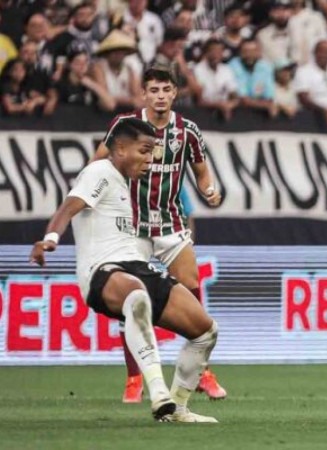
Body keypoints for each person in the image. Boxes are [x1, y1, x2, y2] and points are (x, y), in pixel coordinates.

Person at [30, 117, 218, 423]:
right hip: (102, 270)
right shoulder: (99, 171)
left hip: (137, 267)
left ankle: (179, 410)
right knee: (137, 297)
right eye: (144, 151)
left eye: (152, 152)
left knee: (206, 331)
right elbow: (68, 208)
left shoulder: (130, 183)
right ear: (119, 148)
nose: (150, 160)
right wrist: (50, 239)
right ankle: (158, 393)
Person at [92, 66, 227, 403]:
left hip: (170, 224)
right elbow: (98, 163)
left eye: (166, 89)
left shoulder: (188, 131)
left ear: (175, 93)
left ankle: (201, 372)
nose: (160, 96)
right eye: (154, 90)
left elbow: (201, 172)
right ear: (144, 94)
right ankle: (134, 378)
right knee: (130, 300)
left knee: (192, 286)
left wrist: (210, 191)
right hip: (132, 226)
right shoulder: (126, 127)